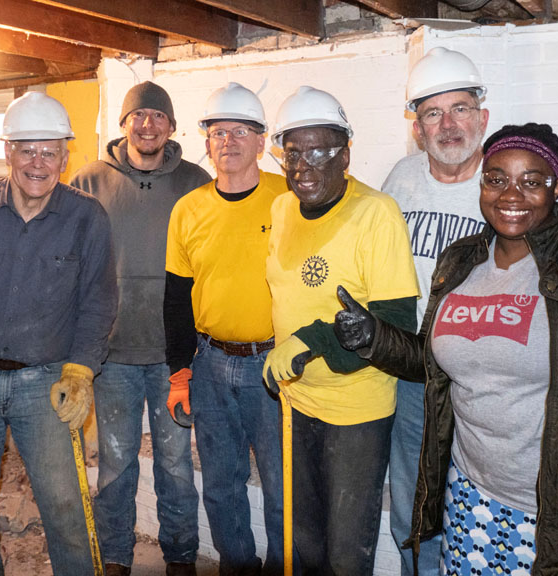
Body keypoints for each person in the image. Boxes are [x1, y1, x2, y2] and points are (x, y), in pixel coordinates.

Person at [335, 123, 558, 574]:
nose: (512, 194)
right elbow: (433, 362)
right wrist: (374, 336)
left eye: (532, 181)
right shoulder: (460, 260)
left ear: (556, 187)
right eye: (497, 179)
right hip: (470, 493)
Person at [0, 92, 117, 575]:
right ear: (7, 152)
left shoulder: (86, 217)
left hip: (47, 383)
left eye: (49, 151)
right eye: (26, 149)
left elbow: (99, 301)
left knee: (65, 507)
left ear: (65, 156)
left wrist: (81, 370)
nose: (37, 163)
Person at [262, 85, 419, 574]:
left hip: (356, 411)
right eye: (293, 152)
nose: (304, 166)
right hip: (297, 400)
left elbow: (395, 328)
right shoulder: (283, 209)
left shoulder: (376, 213)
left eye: (320, 151)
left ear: (346, 154)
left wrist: (313, 340)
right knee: (305, 540)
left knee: (346, 552)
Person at [71, 81, 211, 576]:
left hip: (175, 355)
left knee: (175, 464)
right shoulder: (88, 180)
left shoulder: (197, 182)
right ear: (124, 123)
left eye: (157, 115)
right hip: (111, 356)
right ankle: (115, 558)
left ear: (171, 126)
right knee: (115, 464)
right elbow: (69, 260)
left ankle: (179, 557)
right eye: (138, 115)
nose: (147, 124)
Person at [163, 83, 287, 575]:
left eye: (241, 131)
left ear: (262, 141)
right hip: (210, 364)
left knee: (282, 485)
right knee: (220, 482)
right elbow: (175, 297)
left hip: (274, 365)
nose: (229, 141)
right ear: (206, 143)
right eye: (218, 132)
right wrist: (179, 371)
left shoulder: (290, 198)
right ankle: (238, 566)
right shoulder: (188, 209)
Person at [380, 46, 489, 576]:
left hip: (484, 377)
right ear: (417, 126)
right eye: (432, 113)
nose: (449, 124)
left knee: (477, 504)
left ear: (482, 117)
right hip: (414, 373)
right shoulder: (400, 179)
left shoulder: (506, 183)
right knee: (412, 503)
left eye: (461, 108)